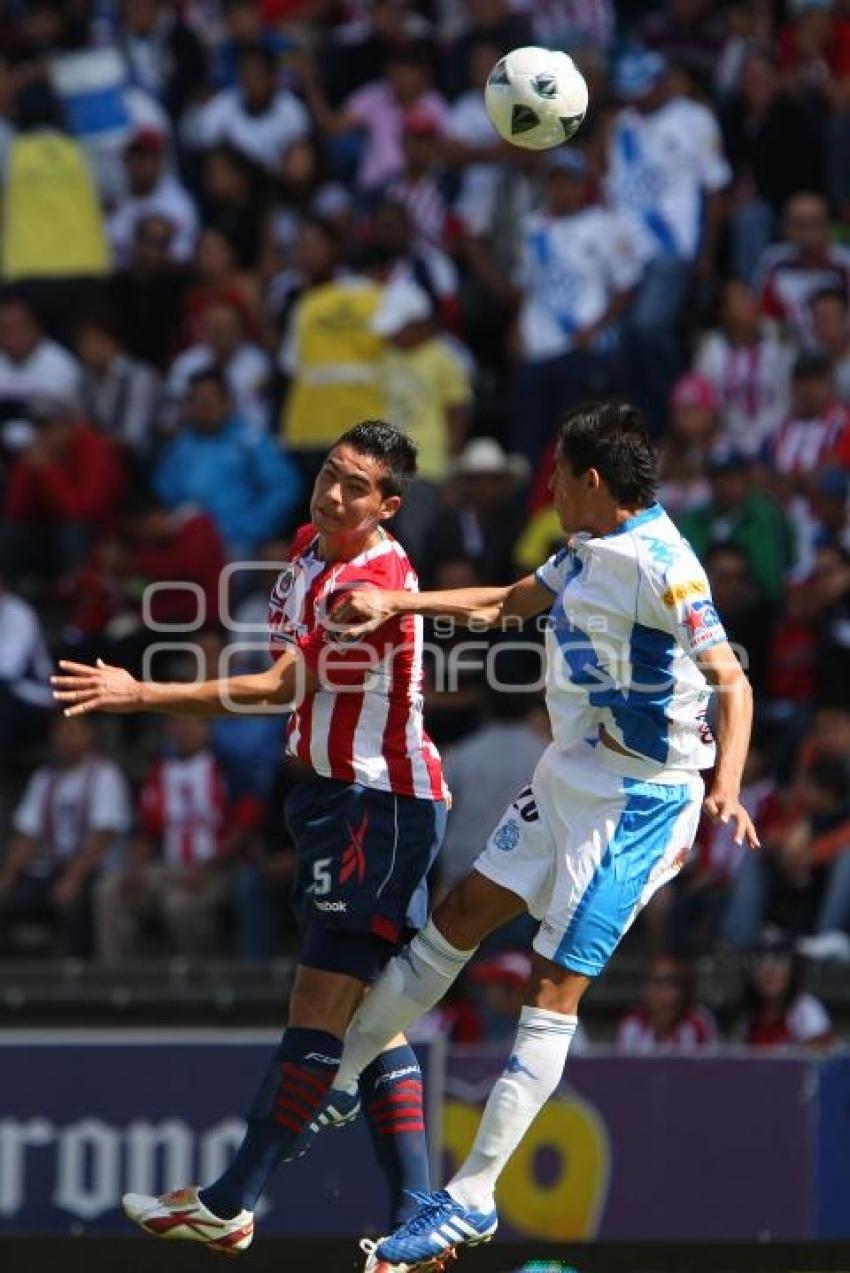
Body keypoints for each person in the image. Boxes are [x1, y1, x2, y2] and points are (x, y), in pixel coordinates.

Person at [315, 400, 757, 1269]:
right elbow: (510, 603)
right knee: (458, 915)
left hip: (638, 801)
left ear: (591, 482)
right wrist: (400, 602)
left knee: (553, 986)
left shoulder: (667, 567)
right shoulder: (586, 549)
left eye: (556, 474)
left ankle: (472, 1198)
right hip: (570, 771)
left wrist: (729, 788)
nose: (545, 487)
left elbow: (732, 684)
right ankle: (338, 1074)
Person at [51, 420, 447, 1252]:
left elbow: (275, 687)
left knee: (323, 1008)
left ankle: (233, 1200)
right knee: (370, 1016)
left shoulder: (368, 584)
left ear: (389, 506)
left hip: (381, 804)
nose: (333, 493)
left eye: (356, 487)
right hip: (334, 800)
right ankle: (416, 1213)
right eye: (330, 473)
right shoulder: (310, 543)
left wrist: (138, 695)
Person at [0, 714, 132, 957]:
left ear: (90, 735)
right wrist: (6, 878)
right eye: (60, 732)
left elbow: (102, 837)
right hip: (55, 865)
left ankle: (82, 972)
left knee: (81, 896)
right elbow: (26, 834)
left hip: (97, 868)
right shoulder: (45, 778)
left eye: (73, 732)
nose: (65, 740)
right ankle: (23, 976)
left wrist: (72, 878)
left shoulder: (105, 775)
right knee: (18, 898)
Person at [616, 954, 717, 1053]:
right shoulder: (632, 1025)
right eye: (655, 981)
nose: (661, 990)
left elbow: (710, 1067)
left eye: (670, 982)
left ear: (683, 990)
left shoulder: (698, 1023)